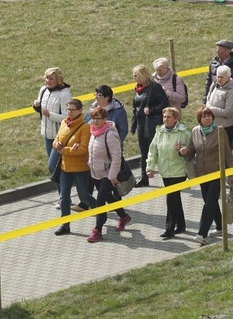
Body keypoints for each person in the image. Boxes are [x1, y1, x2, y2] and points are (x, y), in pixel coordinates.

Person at [180, 107, 233, 245]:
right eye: (204, 116)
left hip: (217, 172)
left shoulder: (220, 131)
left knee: (209, 203)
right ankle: (220, 226)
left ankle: (202, 234)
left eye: (209, 116)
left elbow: (227, 153)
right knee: (210, 202)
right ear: (199, 119)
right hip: (201, 173)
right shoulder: (195, 131)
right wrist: (185, 151)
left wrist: (232, 173)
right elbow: (193, 149)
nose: (207, 118)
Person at [86, 106, 131, 243]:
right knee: (108, 198)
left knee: (100, 202)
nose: (95, 121)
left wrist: (112, 175)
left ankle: (97, 230)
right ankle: (123, 216)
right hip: (95, 172)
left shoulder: (110, 134)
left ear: (105, 119)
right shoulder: (93, 132)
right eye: (93, 118)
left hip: (107, 174)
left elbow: (117, 156)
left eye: (98, 119)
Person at [51, 98, 94, 235]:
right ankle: (65, 225)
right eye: (68, 109)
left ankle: (101, 212)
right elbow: (57, 139)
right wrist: (56, 144)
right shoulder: (64, 122)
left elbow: (83, 149)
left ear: (80, 111)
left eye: (72, 109)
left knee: (84, 196)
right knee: (64, 197)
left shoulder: (85, 127)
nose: (69, 112)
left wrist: (65, 151)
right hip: (65, 168)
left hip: (80, 169)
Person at [146, 107, 191, 239]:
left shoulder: (183, 132)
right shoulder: (159, 132)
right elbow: (153, 150)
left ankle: (169, 228)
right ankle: (181, 225)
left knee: (171, 199)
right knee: (175, 199)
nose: (165, 119)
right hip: (165, 171)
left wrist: (182, 149)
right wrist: (150, 168)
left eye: (169, 117)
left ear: (176, 119)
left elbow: (191, 149)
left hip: (179, 171)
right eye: (164, 117)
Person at [32, 67, 72, 204]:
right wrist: (36, 106)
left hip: (59, 136)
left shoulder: (64, 94)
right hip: (47, 134)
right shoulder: (43, 90)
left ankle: (64, 197)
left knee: (53, 166)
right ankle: (63, 196)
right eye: (46, 78)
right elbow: (41, 111)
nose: (47, 81)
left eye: (51, 79)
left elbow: (68, 117)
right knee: (54, 168)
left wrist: (50, 114)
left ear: (58, 80)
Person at [131, 64, 170, 187]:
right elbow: (135, 107)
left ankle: (169, 176)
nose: (134, 78)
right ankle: (144, 178)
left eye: (136, 75)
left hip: (151, 124)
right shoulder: (138, 89)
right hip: (141, 124)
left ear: (142, 75)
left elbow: (165, 103)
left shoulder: (154, 87)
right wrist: (133, 123)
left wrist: (151, 110)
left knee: (158, 151)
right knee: (144, 152)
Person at [203, 39, 233, 107]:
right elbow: (209, 81)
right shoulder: (213, 63)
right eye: (217, 48)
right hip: (214, 99)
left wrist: (228, 88)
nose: (217, 51)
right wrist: (205, 99)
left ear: (228, 51)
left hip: (229, 101)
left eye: (220, 49)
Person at [204, 65, 233, 144]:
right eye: (218, 76)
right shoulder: (214, 86)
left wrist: (210, 109)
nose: (219, 79)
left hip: (226, 127)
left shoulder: (232, 92)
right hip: (213, 125)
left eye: (222, 77)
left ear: (228, 77)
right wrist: (208, 106)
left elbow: (228, 112)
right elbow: (208, 99)